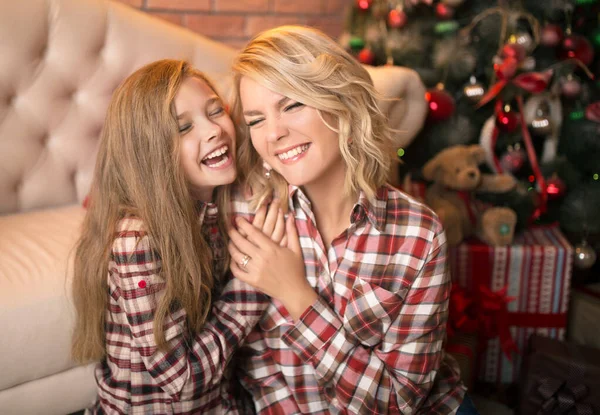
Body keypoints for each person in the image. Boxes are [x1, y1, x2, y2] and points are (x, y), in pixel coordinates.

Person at [227, 26, 475, 414]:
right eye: (256, 120)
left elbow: (397, 403)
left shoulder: (419, 236)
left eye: (292, 105)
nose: (273, 134)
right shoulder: (250, 218)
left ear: (341, 102)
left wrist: (296, 295)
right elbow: (257, 369)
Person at [71, 59, 282, 414]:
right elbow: (180, 380)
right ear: (151, 153)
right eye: (183, 128)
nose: (213, 130)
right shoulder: (138, 241)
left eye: (216, 111)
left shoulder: (212, 206)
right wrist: (255, 281)